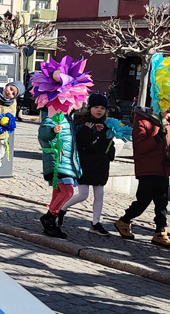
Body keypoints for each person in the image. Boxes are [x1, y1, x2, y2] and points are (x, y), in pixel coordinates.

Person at [112, 106, 170, 248]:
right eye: (168, 112)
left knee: (162, 203)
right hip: (147, 170)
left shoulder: (166, 124)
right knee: (143, 202)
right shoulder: (142, 123)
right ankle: (124, 221)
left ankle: (160, 233)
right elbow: (140, 147)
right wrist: (157, 138)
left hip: (163, 169)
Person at [58, 92, 117, 236]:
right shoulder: (81, 122)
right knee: (83, 195)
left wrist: (110, 145)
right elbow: (79, 143)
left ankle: (96, 223)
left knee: (100, 194)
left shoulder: (108, 125)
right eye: (96, 107)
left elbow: (109, 146)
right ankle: (61, 209)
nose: (99, 110)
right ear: (90, 108)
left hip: (100, 166)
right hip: (85, 165)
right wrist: (90, 131)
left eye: (102, 108)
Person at [38, 102, 81, 238]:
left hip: (67, 162)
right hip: (57, 161)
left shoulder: (68, 118)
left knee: (58, 192)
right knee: (68, 191)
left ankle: (52, 224)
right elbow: (43, 134)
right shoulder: (51, 116)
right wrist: (52, 131)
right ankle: (49, 217)